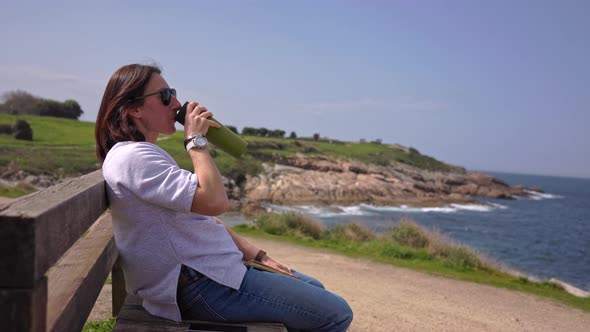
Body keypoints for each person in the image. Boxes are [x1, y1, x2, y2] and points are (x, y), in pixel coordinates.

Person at [95, 63, 353, 331]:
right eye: (164, 96)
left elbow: (200, 216)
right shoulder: (133, 157)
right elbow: (215, 203)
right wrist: (195, 140)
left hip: (211, 273)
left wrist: (259, 256)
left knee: (314, 289)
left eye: (172, 92)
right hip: (201, 283)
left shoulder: (143, 154)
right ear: (134, 108)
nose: (176, 103)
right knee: (336, 314)